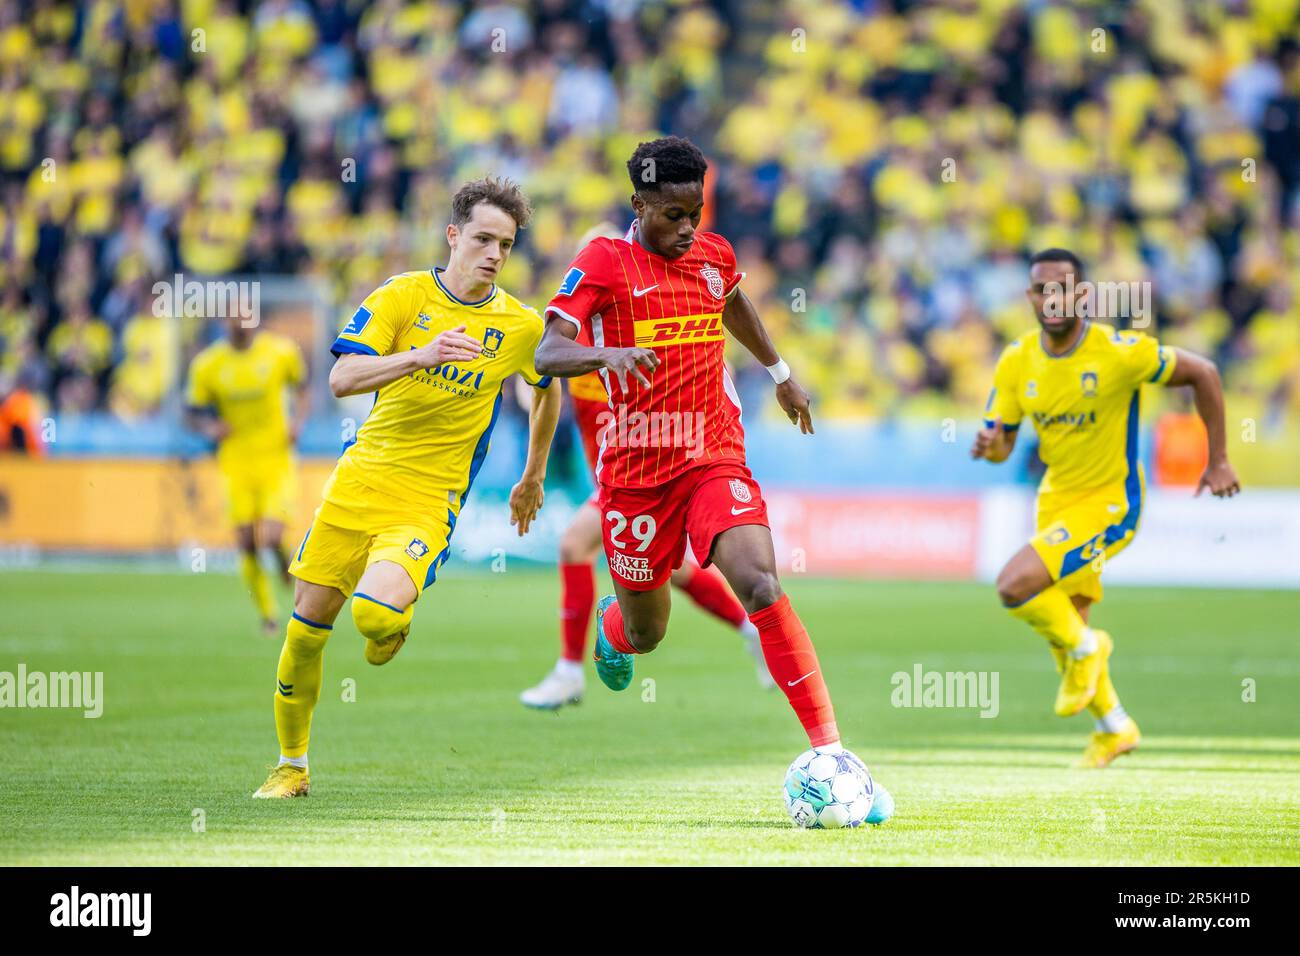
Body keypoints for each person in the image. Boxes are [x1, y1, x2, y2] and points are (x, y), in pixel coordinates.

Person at [533, 136, 882, 811]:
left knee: (759, 581)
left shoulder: (714, 254)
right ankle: (612, 627)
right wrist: (604, 357)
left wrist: (782, 375)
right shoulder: (604, 261)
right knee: (646, 634)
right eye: (672, 215)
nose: (687, 227)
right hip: (634, 476)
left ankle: (832, 752)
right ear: (639, 205)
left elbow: (732, 301)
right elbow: (549, 353)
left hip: (712, 456)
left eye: (695, 212)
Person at [253, 177, 562, 798]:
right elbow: (342, 378)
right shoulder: (403, 296)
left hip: (427, 501)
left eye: (505, 244)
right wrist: (420, 356)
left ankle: (394, 621)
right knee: (303, 634)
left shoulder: (520, 326)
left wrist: (533, 474)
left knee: (370, 616)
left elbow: (548, 387)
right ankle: (291, 767)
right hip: (358, 483)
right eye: (482, 238)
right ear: (453, 235)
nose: (494, 254)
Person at [972, 248, 1240, 767]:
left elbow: (1204, 372)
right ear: (1029, 297)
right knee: (1063, 625)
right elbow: (1003, 444)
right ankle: (1115, 728)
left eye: (1061, 289)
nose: (1050, 298)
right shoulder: (1016, 359)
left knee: (1015, 585)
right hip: (1055, 504)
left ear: (1082, 296)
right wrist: (991, 444)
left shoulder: (1119, 352)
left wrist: (1220, 458)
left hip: (1112, 502)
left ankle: (1091, 647)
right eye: (1040, 289)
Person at [520, 223, 772, 711]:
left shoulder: (637, 332)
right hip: (621, 477)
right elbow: (543, 377)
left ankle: (571, 669)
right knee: (668, 578)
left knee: (575, 545)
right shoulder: (576, 342)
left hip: (649, 466)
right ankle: (749, 628)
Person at [185, 316, 308, 635]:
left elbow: (302, 387)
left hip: (275, 458)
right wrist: (210, 428)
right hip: (236, 462)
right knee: (246, 543)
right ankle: (268, 614)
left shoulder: (279, 353)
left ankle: (284, 567)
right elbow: (191, 413)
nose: (241, 324)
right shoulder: (209, 364)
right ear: (226, 323)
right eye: (234, 318)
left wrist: (298, 422)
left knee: (270, 537)